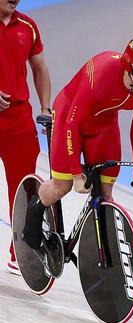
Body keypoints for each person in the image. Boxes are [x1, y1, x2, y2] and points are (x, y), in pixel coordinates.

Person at [22, 34, 133, 250]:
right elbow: (72, 122)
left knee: (106, 193)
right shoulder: (101, 72)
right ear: (128, 66)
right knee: (63, 186)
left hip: (104, 125)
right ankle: (35, 211)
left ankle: (107, 253)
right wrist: (76, 174)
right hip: (69, 116)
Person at [0, 0, 51, 274]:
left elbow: (40, 69)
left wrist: (45, 108)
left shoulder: (28, 26)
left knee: (24, 189)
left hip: (18, 119)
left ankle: (18, 252)